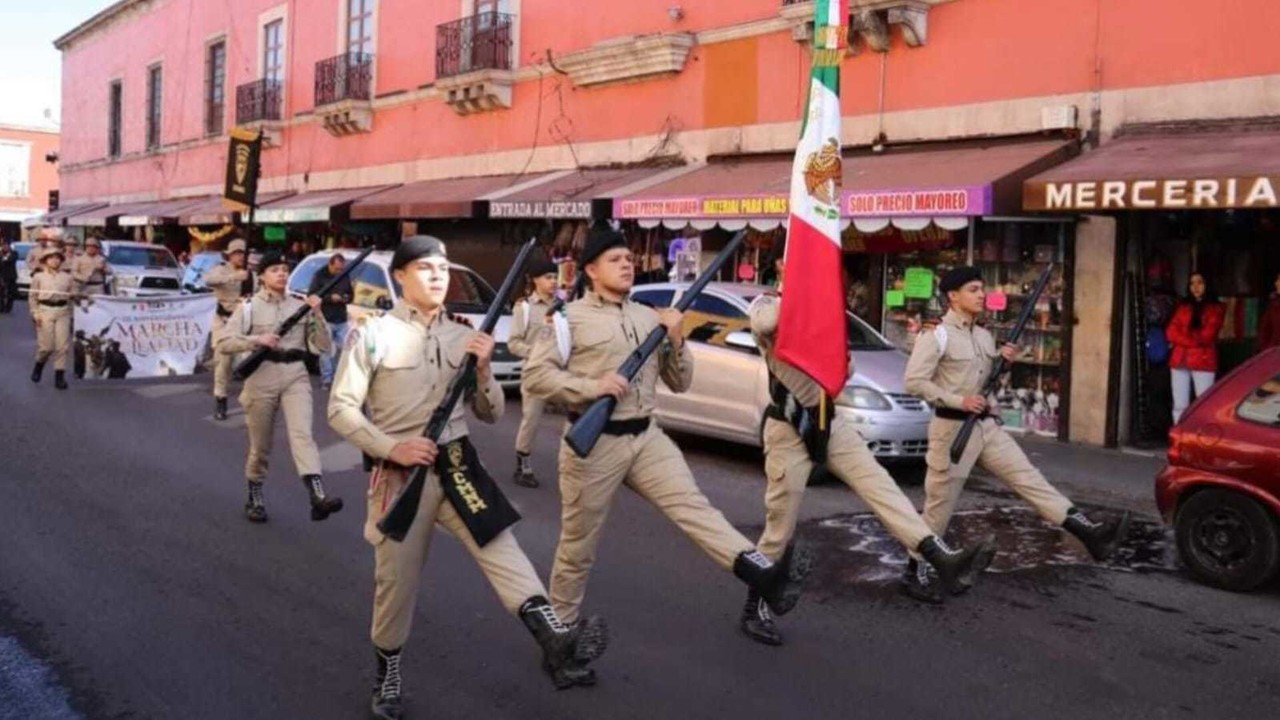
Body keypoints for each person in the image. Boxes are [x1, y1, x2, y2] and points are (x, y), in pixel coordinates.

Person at [328, 237, 608, 719]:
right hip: (402, 474)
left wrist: (482, 371)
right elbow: (340, 410)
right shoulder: (373, 335)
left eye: (442, 268)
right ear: (399, 276)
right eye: (424, 268)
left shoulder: (463, 335)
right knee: (395, 584)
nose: (438, 276)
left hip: (458, 465)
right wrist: (391, 447)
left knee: (503, 552)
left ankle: (555, 637)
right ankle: (388, 670)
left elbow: (491, 413)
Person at [522, 224, 813, 636]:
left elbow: (680, 382)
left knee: (696, 510)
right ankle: (561, 635)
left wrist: (676, 340)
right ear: (590, 270)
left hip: (646, 437)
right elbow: (535, 377)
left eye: (628, 259)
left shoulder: (649, 316)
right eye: (615, 260)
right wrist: (592, 387)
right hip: (594, 444)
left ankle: (763, 575)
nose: (626, 265)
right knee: (578, 548)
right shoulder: (569, 320)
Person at [743, 260, 994, 635]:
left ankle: (939, 556)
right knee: (780, 525)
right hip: (789, 429)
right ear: (784, 265)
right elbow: (764, 325)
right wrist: (802, 295)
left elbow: (841, 375)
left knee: (883, 489)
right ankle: (755, 606)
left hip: (831, 422)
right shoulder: (766, 304)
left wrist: (840, 364)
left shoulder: (828, 313)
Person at [903, 266, 1130, 589]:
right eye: (973, 289)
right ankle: (916, 571)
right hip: (951, 430)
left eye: (982, 288)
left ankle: (1089, 533)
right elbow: (914, 382)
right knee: (940, 506)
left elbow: (987, 383)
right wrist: (958, 400)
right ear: (953, 296)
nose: (981, 294)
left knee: (1030, 480)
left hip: (985, 428)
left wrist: (1003, 363)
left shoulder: (982, 334)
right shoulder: (936, 335)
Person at [216, 250, 341, 524]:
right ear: (261, 276)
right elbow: (223, 343)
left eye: (284, 269)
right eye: (274, 269)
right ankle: (255, 495)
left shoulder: (299, 304)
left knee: (302, 435)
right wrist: (256, 341)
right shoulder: (249, 307)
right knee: (261, 447)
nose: (282, 273)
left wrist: (317, 313)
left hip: (295, 374)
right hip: (261, 376)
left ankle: (317, 495)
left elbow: (324, 347)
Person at [507, 256, 559, 488]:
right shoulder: (524, 308)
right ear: (535, 280)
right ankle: (523, 464)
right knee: (532, 419)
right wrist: (537, 353)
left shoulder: (563, 307)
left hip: (561, 372)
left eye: (555, 276)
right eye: (548, 277)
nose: (553, 281)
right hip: (535, 372)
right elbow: (513, 343)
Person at [204, 238, 256, 420]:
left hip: (243, 321)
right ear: (230, 254)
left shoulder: (251, 274)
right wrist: (233, 277)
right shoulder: (221, 269)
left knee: (250, 362)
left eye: (244, 253)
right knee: (223, 363)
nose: (241, 256)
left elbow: (257, 294)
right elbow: (208, 280)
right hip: (224, 321)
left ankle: (252, 401)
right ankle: (221, 400)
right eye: (238, 253)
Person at [1166, 272, 1225, 423]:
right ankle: (1179, 437)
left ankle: (1200, 439)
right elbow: (1170, 332)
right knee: (1179, 405)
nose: (1196, 287)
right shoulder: (1183, 307)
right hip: (1180, 360)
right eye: (1192, 283)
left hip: (1203, 361)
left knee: (1203, 404)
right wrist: (1192, 341)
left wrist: (1182, 340)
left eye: (1200, 282)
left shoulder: (1216, 308)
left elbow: (1207, 336)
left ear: (1207, 285)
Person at [28, 246, 76, 390]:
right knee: (46, 347)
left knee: (63, 347)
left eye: (57, 258)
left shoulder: (67, 277)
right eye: (51, 258)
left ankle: (59, 377)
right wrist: (35, 313)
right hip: (45, 311)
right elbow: (32, 297)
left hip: (63, 311)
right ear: (45, 260)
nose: (54, 260)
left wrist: (75, 296)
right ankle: (39, 365)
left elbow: (73, 294)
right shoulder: (38, 277)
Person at [307, 253, 354, 389]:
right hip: (325, 318)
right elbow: (311, 295)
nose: (339, 272)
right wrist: (329, 298)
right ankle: (327, 379)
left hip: (341, 318)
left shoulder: (344, 275)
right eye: (336, 269)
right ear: (330, 264)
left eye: (341, 269)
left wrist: (345, 297)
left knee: (345, 348)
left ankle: (341, 378)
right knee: (326, 352)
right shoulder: (319, 275)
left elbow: (351, 295)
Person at [1255, 272, 1280, 353]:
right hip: (1271, 356)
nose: (1276, 283)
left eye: (1279, 280)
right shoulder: (1273, 305)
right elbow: (1264, 332)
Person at [0, 241, 18, 313]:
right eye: (3, 246)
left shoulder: (14, 253)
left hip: (11, 276)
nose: (5, 247)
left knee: (11, 293)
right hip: (1, 276)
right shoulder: (1, 253)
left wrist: (4, 259)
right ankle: (1, 307)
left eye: (6, 246)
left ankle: (8, 307)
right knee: (1, 293)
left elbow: (11, 260)